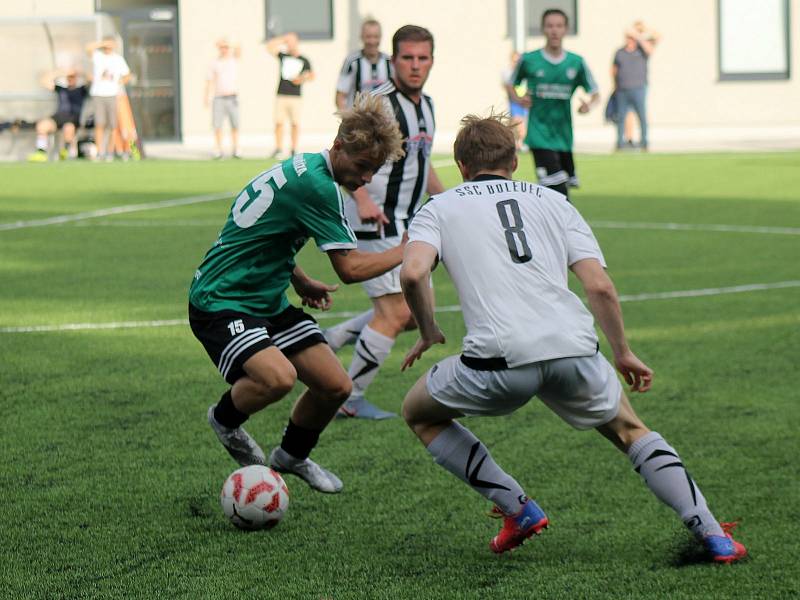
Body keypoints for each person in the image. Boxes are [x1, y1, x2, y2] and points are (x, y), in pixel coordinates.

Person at [397, 113, 747, 562]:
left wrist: (428, 331)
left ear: (461, 165)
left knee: (418, 413)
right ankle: (713, 533)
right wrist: (622, 351)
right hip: (573, 347)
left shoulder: (440, 207)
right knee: (630, 430)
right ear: (515, 160)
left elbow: (412, 272)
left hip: (499, 362)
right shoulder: (555, 201)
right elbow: (599, 286)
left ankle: (516, 508)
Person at [188, 93, 405, 494]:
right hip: (221, 299)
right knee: (279, 378)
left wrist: (299, 279)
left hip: (264, 297)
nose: (366, 179)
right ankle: (224, 420)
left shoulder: (304, 166)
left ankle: (291, 455)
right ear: (338, 146)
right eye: (362, 167)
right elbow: (351, 268)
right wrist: (407, 249)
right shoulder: (320, 188)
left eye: (374, 171)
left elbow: (269, 234)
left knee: (336, 386)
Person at [323, 24, 445, 420]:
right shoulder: (378, 103)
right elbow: (340, 152)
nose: (415, 65)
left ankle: (333, 338)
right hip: (374, 220)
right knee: (396, 313)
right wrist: (360, 198)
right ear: (394, 60)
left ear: (431, 61)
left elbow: (421, 165)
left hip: (408, 221)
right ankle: (347, 396)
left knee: (412, 315)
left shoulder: (427, 104)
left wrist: (449, 202)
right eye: (407, 58)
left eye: (422, 58)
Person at [511, 9, 599, 200]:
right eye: (550, 26)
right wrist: (519, 98)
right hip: (539, 135)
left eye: (559, 26)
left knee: (559, 190)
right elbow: (512, 84)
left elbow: (595, 93)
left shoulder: (576, 62)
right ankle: (565, 228)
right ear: (543, 29)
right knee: (557, 191)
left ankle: (553, 227)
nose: (554, 31)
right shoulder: (529, 60)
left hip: (564, 137)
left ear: (566, 29)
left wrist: (588, 106)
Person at [613, 22, 660, 151]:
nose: (629, 40)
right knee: (622, 117)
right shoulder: (620, 52)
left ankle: (644, 142)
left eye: (631, 37)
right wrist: (615, 86)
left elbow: (656, 40)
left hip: (639, 88)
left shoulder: (642, 51)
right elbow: (614, 69)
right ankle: (620, 143)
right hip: (622, 89)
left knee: (642, 116)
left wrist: (639, 35)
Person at [266, 33, 314, 159]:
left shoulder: (304, 60)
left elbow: (312, 75)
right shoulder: (283, 56)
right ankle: (278, 148)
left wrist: (301, 78)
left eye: (292, 42)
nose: (290, 45)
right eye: (288, 42)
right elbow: (269, 47)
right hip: (281, 94)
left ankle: (293, 148)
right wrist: (283, 39)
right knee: (279, 122)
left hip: (295, 96)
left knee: (295, 123)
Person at [27, 68, 88, 162]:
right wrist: (63, 72)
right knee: (42, 126)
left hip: (72, 118)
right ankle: (41, 152)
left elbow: (92, 79)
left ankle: (65, 152)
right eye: (69, 77)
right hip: (59, 117)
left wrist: (79, 72)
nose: (71, 79)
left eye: (73, 77)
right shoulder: (61, 89)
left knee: (68, 128)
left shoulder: (81, 90)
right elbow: (44, 81)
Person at [86, 37, 131, 161]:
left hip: (112, 95)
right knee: (100, 123)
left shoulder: (118, 59)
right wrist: (102, 43)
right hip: (98, 94)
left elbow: (127, 75)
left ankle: (110, 151)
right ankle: (100, 151)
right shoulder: (98, 56)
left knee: (113, 124)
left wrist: (118, 82)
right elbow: (88, 48)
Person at [335, 19, 392, 111]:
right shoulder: (352, 61)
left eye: (375, 36)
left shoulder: (390, 62)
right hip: (359, 120)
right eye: (368, 37)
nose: (372, 41)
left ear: (380, 37)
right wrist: (347, 118)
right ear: (361, 37)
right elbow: (340, 95)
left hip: (384, 120)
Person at [205, 38, 242, 159]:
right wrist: (206, 96)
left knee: (235, 124)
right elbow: (209, 81)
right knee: (217, 125)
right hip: (219, 97)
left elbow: (239, 47)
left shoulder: (233, 60)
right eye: (222, 47)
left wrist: (228, 41)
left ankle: (236, 148)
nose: (224, 50)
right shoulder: (215, 63)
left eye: (226, 47)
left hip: (232, 97)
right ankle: (218, 149)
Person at [502, 51, 527, 151]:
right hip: (514, 102)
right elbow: (507, 86)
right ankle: (516, 143)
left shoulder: (524, 72)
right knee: (516, 123)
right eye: (514, 60)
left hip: (524, 102)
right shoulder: (508, 72)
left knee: (522, 124)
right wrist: (515, 98)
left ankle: (520, 143)